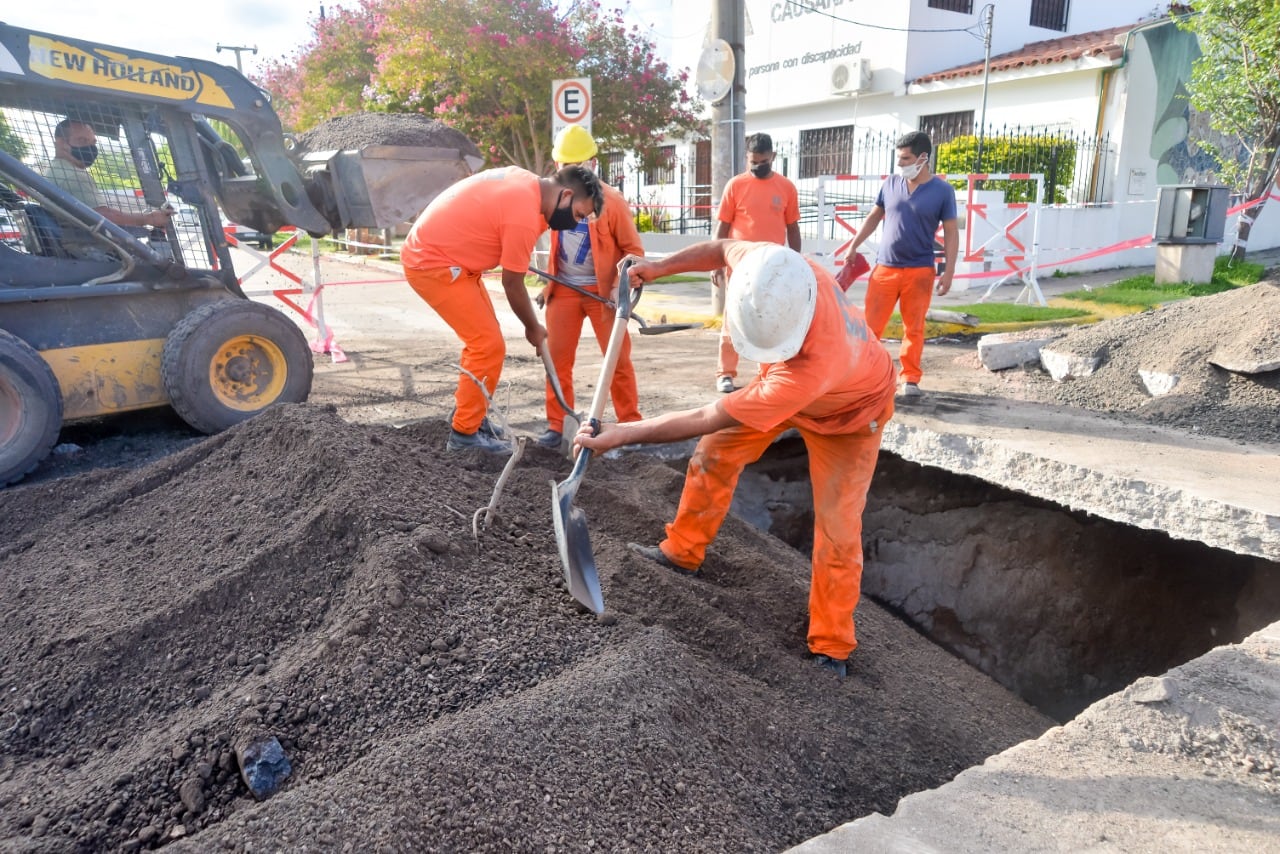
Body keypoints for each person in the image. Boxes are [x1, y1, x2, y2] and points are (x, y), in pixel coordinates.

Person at [575, 239, 896, 679]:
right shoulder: (775, 268)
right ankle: (682, 552)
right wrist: (657, 267)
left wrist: (623, 434)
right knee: (714, 455)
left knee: (838, 529)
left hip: (852, 417)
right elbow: (722, 247)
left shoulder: (813, 366)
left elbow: (706, 416)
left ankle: (831, 645)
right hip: (796, 383)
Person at [401, 163, 604, 453]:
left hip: (452, 260)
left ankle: (472, 415)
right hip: (433, 264)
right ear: (566, 194)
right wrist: (533, 328)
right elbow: (512, 283)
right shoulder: (523, 212)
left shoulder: (526, 184)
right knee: (486, 345)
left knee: (487, 343)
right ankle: (464, 436)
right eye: (577, 214)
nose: (573, 223)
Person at [535, 125, 645, 450]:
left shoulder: (612, 201)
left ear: (592, 164)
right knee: (556, 362)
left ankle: (630, 426)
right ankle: (558, 426)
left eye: (576, 166)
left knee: (618, 363)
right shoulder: (551, 197)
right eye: (564, 166)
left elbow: (633, 251)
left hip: (603, 295)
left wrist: (617, 286)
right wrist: (546, 286)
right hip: (564, 290)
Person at [842, 130, 958, 398]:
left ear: (923, 157)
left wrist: (948, 272)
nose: (901, 164)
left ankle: (910, 379)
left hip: (920, 271)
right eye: (899, 158)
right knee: (870, 328)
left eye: (906, 158)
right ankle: (861, 376)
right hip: (885, 269)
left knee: (913, 328)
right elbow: (874, 217)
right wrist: (853, 244)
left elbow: (952, 232)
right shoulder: (890, 184)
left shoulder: (942, 191)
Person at [712, 132, 801, 394]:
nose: (758, 166)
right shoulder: (735, 186)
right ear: (747, 158)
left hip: (774, 268)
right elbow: (722, 227)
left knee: (772, 319)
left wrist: (797, 263)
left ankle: (769, 373)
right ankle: (725, 373)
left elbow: (792, 228)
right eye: (753, 162)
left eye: (763, 162)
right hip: (740, 266)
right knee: (733, 321)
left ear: (773, 157)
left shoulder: (786, 188)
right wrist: (716, 262)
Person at [42, 119, 173, 258]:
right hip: (88, 252)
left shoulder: (56, 170)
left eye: (93, 143)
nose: (90, 148)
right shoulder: (72, 176)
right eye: (82, 141)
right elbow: (104, 217)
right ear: (61, 142)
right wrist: (149, 218)